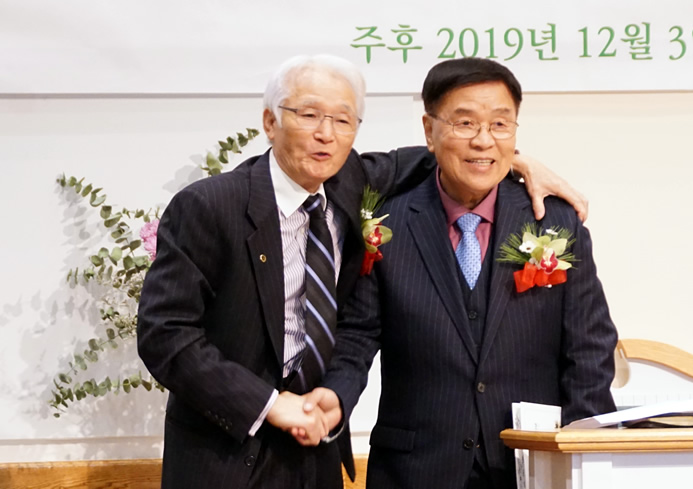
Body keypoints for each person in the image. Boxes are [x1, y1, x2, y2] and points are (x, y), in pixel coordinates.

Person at [137, 54, 589, 489]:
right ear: (270, 122)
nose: (326, 134)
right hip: (225, 455)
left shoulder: (350, 183)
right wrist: (268, 404)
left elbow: (449, 153)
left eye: (343, 120)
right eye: (308, 115)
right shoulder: (209, 206)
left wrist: (518, 161)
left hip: (314, 454)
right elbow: (164, 334)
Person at [316, 57, 618, 489]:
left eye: (500, 124)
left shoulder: (554, 223)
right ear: (429, 130)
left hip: (530, 466)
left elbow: (589, 349)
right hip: (415, 471)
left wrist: (581, 457)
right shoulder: (385, 225)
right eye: (465, 123)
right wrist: (335, 395)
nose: (483, 140)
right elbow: (356, 337)